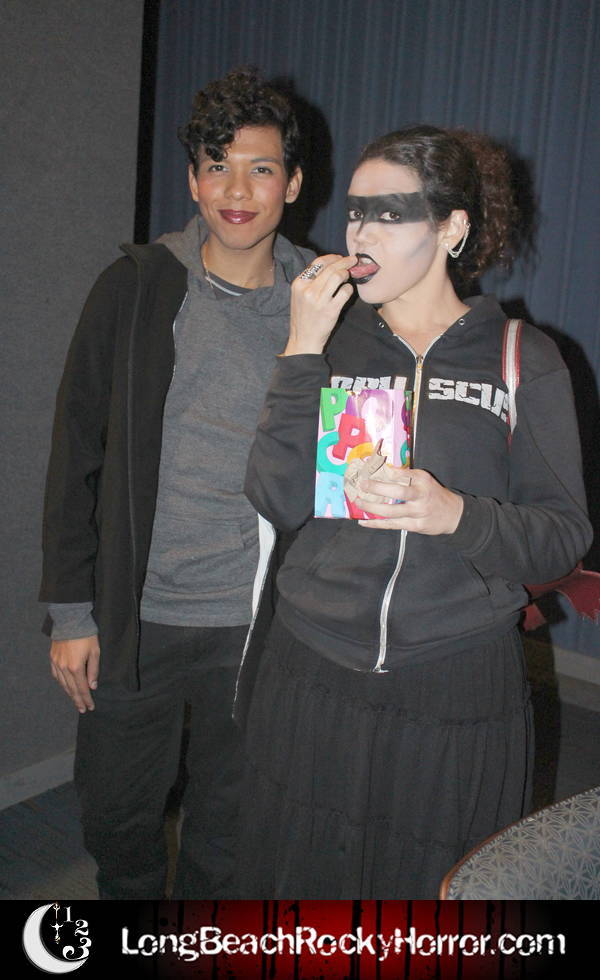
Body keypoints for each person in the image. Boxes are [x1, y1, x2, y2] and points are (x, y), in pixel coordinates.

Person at [234, 125, 593, 898]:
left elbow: (562, 537)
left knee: (425, 896)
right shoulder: (330, 342)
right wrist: (301, 348)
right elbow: (277, 498)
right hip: (313, 670)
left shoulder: (522, 358)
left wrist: (454, 513)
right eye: (355, 212)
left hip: (453, 686)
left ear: (451, 227)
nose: (360, 233)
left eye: (389, 213)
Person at [39, 67, 312, 899]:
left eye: (260, 169)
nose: (237, 190)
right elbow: (76, 453)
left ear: (293, 183)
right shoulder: (137, 286)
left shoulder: (324, 302)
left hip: (256, 622)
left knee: (230, 830)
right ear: (193, 181)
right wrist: (71, 613)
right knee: (118, 822)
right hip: (138, 615)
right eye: (217, 167)